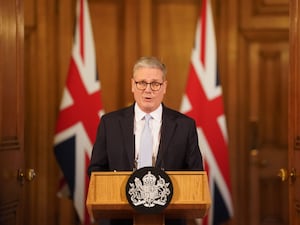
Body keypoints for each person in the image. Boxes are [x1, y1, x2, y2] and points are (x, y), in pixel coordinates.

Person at [88, 56, 204, 225]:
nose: (148, 90)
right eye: (141, 83)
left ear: (164, 87)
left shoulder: (184, 126)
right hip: (120, 219)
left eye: (155, 84)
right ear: (132, 85)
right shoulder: (110, 123)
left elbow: (195, 174)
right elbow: (95, 170)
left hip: (170, 218)